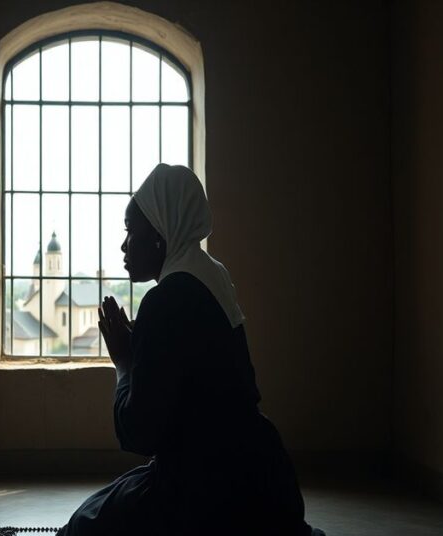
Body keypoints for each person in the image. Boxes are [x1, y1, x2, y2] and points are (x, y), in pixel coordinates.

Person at [57, 164, 322, 536]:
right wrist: (143, 350)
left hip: (207, 491)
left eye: (131, 231)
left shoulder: (164, 301)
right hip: (265, 479)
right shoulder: (212, 274)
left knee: (82, 527)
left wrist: (124, 363)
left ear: (160, 238)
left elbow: (139, 433)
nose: (123, 244)